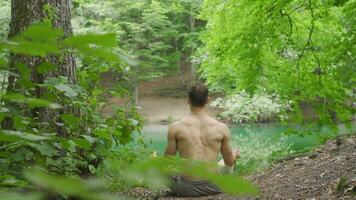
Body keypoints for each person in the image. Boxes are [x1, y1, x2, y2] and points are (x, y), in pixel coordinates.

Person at [164, 83, 240, 197]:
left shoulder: (176, 128)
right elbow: (229, 163)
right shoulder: (221, 128)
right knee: (230, 157)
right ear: (208, 99)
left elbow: (167, 163)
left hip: (185, 188)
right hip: (214, 186)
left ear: (188, 100)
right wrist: (234, 155)